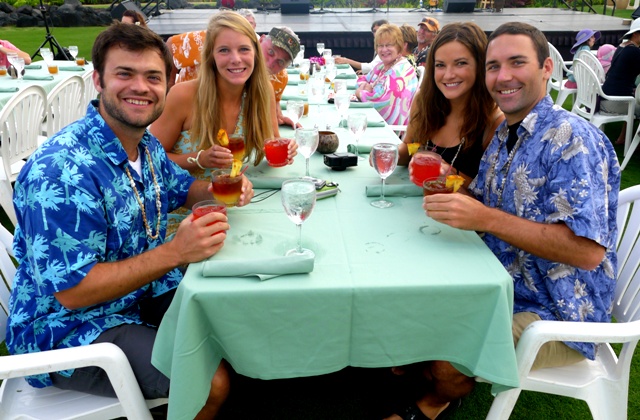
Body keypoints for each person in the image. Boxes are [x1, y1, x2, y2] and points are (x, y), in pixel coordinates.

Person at [6, 22, 255, 419]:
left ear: (167, 84)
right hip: (70, 330)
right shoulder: (61, 170)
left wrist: (219, 189)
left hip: (137, 297)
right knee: (211, 382)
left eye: (153, 77)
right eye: (125, 73)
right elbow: (74, 291)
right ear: (99, 81)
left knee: (238, 317)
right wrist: (175, 252)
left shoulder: (143, 144)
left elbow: (180, 188)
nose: (141, 87)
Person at [388, 22, 619, 420]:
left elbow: (586, 252)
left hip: (559, 311)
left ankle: (431, 402)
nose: (503, 76)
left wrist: (486, 218)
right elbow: (482, 199)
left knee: (445, 362)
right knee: (406, 308)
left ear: (547, 68)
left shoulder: (572, 139)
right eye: (494, 66)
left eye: (517, 63)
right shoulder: (506, 134)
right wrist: (450, 186)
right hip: (497, 279)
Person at [150, 12, 295, 236]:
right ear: (211, 56)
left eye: (244, 49)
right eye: (224, 50)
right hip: (181, 217)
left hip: (233, 214)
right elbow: (149, 160)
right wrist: (200, 159)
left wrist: (285, 151)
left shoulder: (262, 92)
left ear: (254, 53)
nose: (236, 59)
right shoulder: (183, 96)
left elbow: (270, 146)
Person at [398, 22, 503, 185]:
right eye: (440, 65)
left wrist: (447, 174)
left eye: (460, 63)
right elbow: (408, 149)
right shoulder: (423, 102)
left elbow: (488, 192)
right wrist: (387, 155)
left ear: (480, 65)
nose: (448, 75)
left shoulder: (494, 121)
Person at [355, 23, 418, 126]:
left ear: (399, 46)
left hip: (390, 130)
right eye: (380, 45)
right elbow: (361, 79)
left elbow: (382, 102)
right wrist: (366, 88)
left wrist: (360, 93)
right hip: (376, 122)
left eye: (389, 45)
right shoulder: (382, 66)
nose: (384, 50)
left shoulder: (400, 70)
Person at [601, 18, 640, 145]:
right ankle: (636, 142)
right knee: (636, 103)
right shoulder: (634, 51)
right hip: (615, 103)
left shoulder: (622, 47)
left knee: (633, 98)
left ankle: (622, 138)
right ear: (635, 34)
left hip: (606, 98)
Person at [259, 26, 302, 128]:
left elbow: (275, 103)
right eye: (270, 52)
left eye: (281, 62)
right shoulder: (239, 66)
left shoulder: (280, 77)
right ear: (261, 40)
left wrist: (279, 117)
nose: (270, 63)